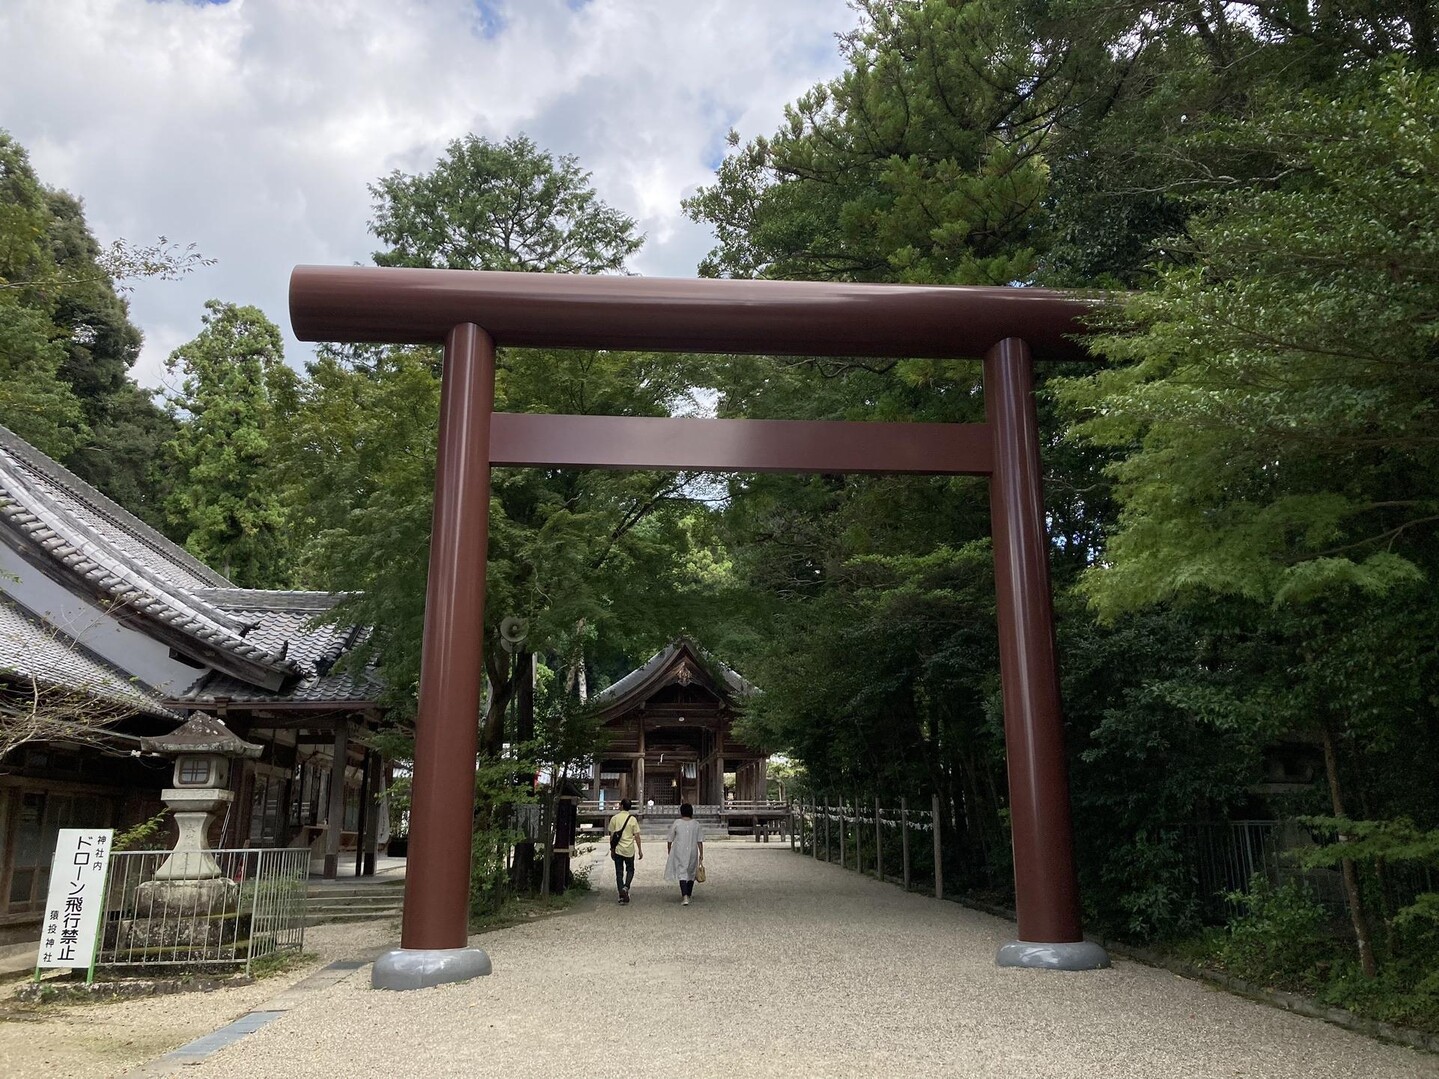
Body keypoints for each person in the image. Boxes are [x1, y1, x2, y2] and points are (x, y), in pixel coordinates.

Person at [664, 802, 705, 906]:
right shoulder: (696, 824)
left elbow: (670, 838)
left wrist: (669, 850)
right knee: (691, 871)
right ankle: (688, 893)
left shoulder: (677, 823)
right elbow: (700, 840)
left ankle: (685, 896)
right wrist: (701, 853)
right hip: (692, 850)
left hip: (679, 850)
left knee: (682, 871)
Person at [607, 798, 642, 904]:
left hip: (618, 849)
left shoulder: (615, 818)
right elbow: (637, 836)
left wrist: (612, 849)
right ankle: (626, 887)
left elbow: (612, 836)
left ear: (621, 806)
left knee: (619, 872)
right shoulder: (632, 819)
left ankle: (621, 894)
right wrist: (640, 849)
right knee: (630, 869)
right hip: (629, 849)